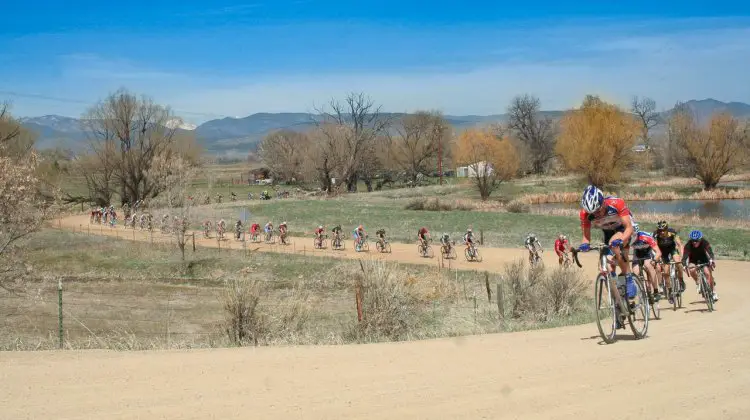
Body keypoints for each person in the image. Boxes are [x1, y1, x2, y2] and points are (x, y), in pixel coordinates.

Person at [577, 185, 638, 300]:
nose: (597, 214)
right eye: (593, 213)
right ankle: (618, 302)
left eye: (598, 210)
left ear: (603, 202)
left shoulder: (616, 203)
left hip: (625, 229)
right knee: (605, 266)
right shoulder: (584, 214)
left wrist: (621, 240)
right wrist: (584, 245)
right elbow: (586, 236)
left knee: (615, 244)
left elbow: (629, 227)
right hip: (608, 232)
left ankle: (629, 279)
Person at [682, 230, 718, 302]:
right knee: (691, 269)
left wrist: (711, 260)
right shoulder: (688, 245)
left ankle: (712, 291)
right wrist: (684, 265)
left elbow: (710, 252)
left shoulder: (705, 242)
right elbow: (685, 256)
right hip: (693, 260)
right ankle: (698, 282)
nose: (694, 242)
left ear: (700, 239)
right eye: (693, 241)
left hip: (704, 259)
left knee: (708, 274)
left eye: (696, 240)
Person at [653, 220, 685, 300]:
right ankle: (670, 290)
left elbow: (680, 244)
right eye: (660, 230)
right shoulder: (656, 235)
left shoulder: (672, 233)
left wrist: (682, 256)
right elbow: (655, 248)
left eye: (664, 230)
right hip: (663, 252)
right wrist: (658, 258)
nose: (662, 232)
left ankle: (681, 280)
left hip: (672, 249)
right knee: (666, 272)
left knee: (678, 262)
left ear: (667, 229)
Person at [630, 225, 662, 302]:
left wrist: (654, 260)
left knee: (648, 265)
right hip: (637, 253)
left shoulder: (646, 237)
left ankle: (656, 291)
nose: (632, 238)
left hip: (647, 252)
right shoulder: (627, 239)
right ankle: (637, 292)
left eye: (633, 236)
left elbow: (658, 252)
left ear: (637, 234)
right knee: (635, 273)